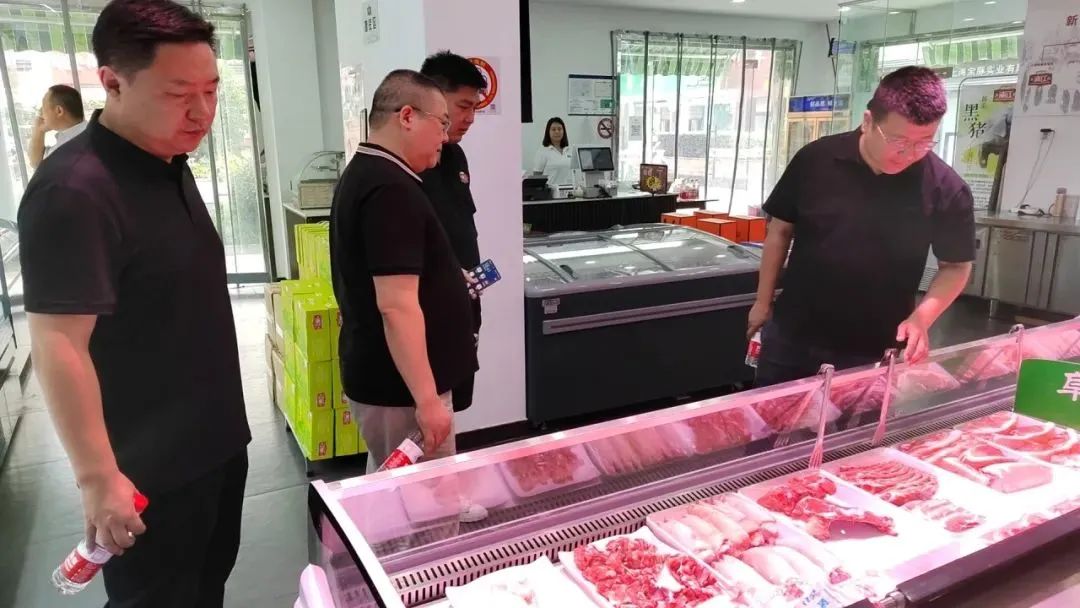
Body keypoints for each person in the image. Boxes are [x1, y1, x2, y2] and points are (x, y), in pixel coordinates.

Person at [17, 1, 250, 605]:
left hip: (214, 445)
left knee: (206, 587)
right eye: (179, 94)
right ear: (113, 82)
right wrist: (98, 478)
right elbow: (58, 343)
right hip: (147, 471)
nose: (202, 112)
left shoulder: (168, 162)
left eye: (211, 90)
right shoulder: (75, 190)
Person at [747, 66, 975, 387]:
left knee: (860, 421)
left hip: (873, 345)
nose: (908, 154)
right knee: (771, 414)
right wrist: (762, 301)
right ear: (868, 121)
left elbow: (956, 266)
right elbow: (779, 231)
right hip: (793, 333)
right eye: (898, 140)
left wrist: (922, 318)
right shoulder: (816, 160)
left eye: (924, 142)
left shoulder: (945, 188)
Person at [330, 70, 477, 477]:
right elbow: (396, 306)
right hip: (401, 391)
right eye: (441, 123)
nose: (445, 137)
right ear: (407, 116)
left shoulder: (371, 173)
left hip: (391, 384)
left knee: (391, 486)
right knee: (426, 500)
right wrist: (427, 401)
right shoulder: (390, 189)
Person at [418, 50, 487, 413]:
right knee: (424, 427)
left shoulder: (456, 155)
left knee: (451, 411)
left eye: (475, 107)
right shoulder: (409, 166)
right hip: (428, 318)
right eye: (463, 106)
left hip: (463, 307)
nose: (470, 118)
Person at [28, 84, 87, 169]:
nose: (41, 113)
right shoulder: (68, 139)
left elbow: (37, 166)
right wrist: (39, 130)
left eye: (43, 107)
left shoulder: (67, 149)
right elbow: (36, 163)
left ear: (59, 111)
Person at [532, 116, 573, 185]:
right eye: (553, 129)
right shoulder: (542, 152)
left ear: (563, 131)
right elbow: (536, 177)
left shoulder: (569, 150)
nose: (557, 132)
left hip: (569, 190)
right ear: (548, 132)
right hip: (550, 190)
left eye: (559, 129)